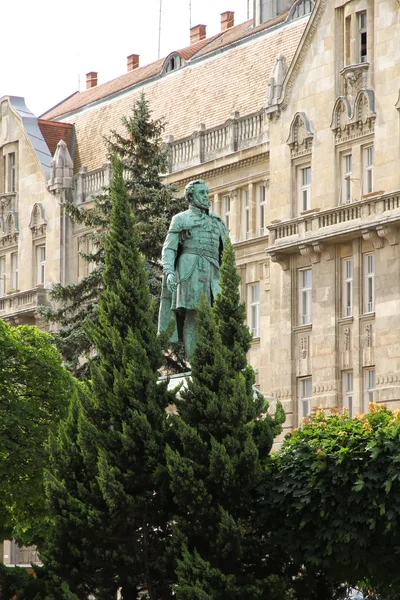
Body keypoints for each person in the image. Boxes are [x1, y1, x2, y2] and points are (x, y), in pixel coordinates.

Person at [158, 179, 228, 360]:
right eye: (202, 193)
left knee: (217, 314)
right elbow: (169, 248)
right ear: (191, 196)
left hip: (214, 271)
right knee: (193, 313)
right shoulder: (181, 219)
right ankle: (194, 362)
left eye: (207, 192)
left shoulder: (218, 222)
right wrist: (169, 272)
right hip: (190, 268)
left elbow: (227, 252)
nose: (206, 196)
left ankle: (213, 359)